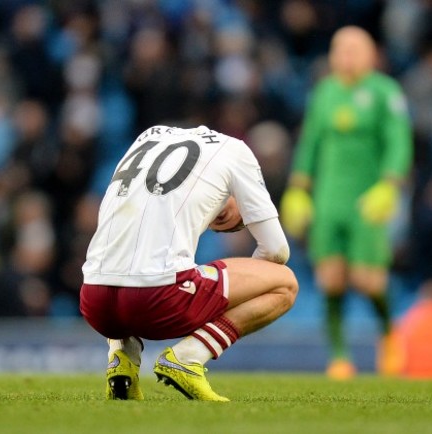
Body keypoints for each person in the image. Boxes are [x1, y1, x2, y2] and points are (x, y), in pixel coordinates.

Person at [80, 125, 298, 401]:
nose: (222, 225)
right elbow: (277, 251)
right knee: (285, 283)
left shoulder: (149, 135)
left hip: (94, 302)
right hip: (155, 302)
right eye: (237, 220)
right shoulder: (237, 151)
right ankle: (189, 356)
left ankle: (120, 359)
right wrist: (228, 303)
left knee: (131, 257)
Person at [280, 26, 413, 379]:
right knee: (331, 278)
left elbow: (399, 141)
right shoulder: (324, 92)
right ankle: (339, 357)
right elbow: (310, 142)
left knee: (368, 280)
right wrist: (297, 188)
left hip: (367, 198)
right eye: (340, 48)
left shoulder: (386, 92)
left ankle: (389, 333)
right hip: (329, 198)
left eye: (354, 48)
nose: (346, 55)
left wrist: (390, 184)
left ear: (371, 54)